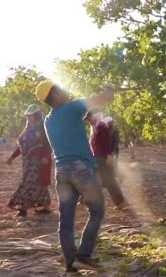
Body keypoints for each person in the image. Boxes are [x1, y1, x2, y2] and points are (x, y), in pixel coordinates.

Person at [35, 80, 114, 273]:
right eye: (60, 89)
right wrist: (109, 89)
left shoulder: (48, 120)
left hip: (62, 172)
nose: (64, 90)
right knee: (97, 212)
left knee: (66, 220)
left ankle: (71, 264)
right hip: (82, 169)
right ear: (54, 96)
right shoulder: (72, 108)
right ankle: (84, 256)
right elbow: (103, 99)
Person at [5, 104, 52, 218]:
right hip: (27, 161)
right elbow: (22, 146)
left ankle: (23, 209)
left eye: (30, 116)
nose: (28, 118)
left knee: (29, 183)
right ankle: (46, 207)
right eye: (27, 116)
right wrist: (12, 157)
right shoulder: (27, 129)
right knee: (38, 183)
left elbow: (49, 142)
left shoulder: (42, 127)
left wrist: (46, 156)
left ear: (36, 115)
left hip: (38, 161)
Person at [85, 110, 126, 209]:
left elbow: (106, 142)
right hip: (97, 157)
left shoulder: (101, 126)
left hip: (102, 157)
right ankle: (119, 202)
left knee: (107, 180)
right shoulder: (95, 126)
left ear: (93, 117)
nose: (88, 121)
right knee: (101, 180)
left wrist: (108, 156)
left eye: (89, 119)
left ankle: (120, 202)